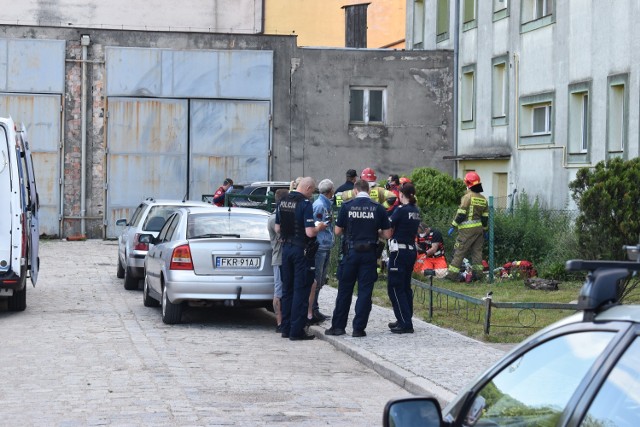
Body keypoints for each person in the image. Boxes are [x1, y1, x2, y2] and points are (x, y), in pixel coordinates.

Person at [325, 179, 392, 338]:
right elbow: (388, 234)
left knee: (344, 291)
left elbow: (337, 231)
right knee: (365, 292)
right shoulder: (378, 208)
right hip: (369, 255)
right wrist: (375, 232)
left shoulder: (347, 207)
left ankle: (338, 327)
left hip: (350, 253)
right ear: (368, 191)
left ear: (355, 191)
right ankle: (358, 329)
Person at [275, 177, 326, 341]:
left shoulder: (283, 201)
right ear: (308, 188)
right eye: (312, 191)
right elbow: (310, 232)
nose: (312, 195)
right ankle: (296, 331)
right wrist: (319, 227)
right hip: (300, 250)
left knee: (287, 289)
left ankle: (286, 328)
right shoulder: (304, 204)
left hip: (286, 249)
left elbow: (277, 228)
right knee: (301, 289)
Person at [386, 183, 421, 334]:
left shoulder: (400, 210)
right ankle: (404, 318)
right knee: (405, 287)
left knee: (395, 287)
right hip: (410, 251)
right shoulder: (415, 210)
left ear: (401, 194)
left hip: (399, 252)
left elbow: (388, 226)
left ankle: (405, 322)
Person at [446, 171, 489, 282]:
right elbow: (485, 217)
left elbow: (461, 214)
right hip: (479, 230)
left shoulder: (467, 197)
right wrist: (485, 230)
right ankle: (478, 276)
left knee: (459, 251)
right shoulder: (483, 199)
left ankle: (451, 276)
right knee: (477, 252)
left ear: (468, 184)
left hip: (466, 230)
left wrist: (453, 226)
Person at [307, 179, 335, 324]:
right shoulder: (319, 205)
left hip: (325, 245)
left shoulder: (326, 204)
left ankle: (315, 307)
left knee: (321, 279)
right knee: (317, 280)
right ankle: (313, 309)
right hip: (320, 246)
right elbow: (317, 225)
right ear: (330, 190)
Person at [268, 189, 289, 333]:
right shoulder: (274, 218)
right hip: (279, 258)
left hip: (284, 257)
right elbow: (281, 233)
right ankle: (279, 322)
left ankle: (284, 320)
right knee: (279, 292)